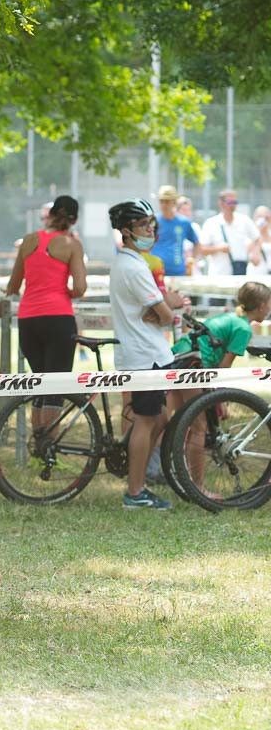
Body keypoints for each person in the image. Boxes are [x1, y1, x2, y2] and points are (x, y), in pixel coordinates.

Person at [107, 198, 191, 510]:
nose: (150, 231)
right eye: (143, 225)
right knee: (145, 421)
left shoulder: (132, 262)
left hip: (147, 352)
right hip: (145, 356)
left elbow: (155, 312)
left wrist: (161, 308)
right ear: (126, 231)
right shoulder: (133, 266)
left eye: (151, 225)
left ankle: (138, 476)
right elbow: (166, 315)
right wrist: (171, 303)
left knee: (160, 418)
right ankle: (135, 491)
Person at [170, 282, 271, 492]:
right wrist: (219, 400)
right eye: (269, 303)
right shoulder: (243, 328)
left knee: (179, 423)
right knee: (198, 427)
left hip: (180, 356)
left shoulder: (232, 318)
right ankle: (197, 487)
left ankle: (180, 477)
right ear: (261, 305)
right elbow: (223, 369)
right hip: (193, 363)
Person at [4, 195, 87, 430]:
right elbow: (80, 288)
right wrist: (67, 292)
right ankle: (50, 443)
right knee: (55, 387)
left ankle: (39, 441)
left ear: (49, 215)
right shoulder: (72, 245)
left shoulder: (29, 241)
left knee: (40, 384)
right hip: (58, 317)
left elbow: (13, 285)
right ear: (74, 220)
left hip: (28, 319)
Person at [199, 189, 262, 277]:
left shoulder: (244, 220)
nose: (233, 205)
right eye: (230, 202)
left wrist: (255, 253)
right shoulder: (211, 223)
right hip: (218, 275)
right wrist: (219, 248)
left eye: (235, 202)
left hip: (240, 273)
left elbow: (257, 238)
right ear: (221, 203)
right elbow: (202, 249)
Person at [150, 185, 199, 278]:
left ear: (174, 202)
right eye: (161, 201)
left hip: (178, 273)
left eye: (167, 201)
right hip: (155, 272)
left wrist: (191, 260)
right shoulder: (152, 221)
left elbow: (197, 243)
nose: (164, 205)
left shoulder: (184, 222)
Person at [251, 206, 271, 277]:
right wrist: (259, 233)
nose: (263, 220)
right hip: (256, 275)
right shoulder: (251, 237)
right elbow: (255, 260)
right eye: (260, 217)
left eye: (266, 217)